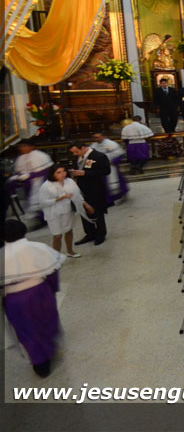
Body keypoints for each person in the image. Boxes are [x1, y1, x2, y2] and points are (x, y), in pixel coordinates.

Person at [2, 219, 65, 377]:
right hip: (41, 291)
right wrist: (53, 289)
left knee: (26, 330)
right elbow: (52, 272)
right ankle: (50, 348)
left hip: (15, 298)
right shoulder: (39, 247)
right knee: (47, 321)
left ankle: (40, 364)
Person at [37, 165, 91, 258]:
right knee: (57, 236)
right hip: (53, 214)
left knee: (69, 231)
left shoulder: (69, 181)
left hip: (67, 211)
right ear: (52, 174)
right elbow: (42, 203)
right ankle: (56, 257)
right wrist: (60, 198)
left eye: (64, 171)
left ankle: (70, 251)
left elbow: (77, 194)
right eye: (58, 172)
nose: (62, 174)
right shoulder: (46, 186)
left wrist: (85, 204)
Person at [69, 141, 110, 246]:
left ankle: (100, 234)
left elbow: (106, 171)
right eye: (73, 152)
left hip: (95, 188)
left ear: (83, 147)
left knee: (97, 212)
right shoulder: (76, 157)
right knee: (83, 211)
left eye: (76, 151)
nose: (75, 154)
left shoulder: (99, 156)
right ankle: (89, 233)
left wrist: (85, 173)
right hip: (81, 188)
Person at [7, 140, 54, 217]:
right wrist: (18, 176)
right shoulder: (21, 158)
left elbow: (46, 170)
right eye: (20, 146)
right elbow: (19, 171)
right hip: (28, 183)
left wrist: (29, 175)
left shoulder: (41, 156)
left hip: (42, 181)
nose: (21, 148)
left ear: (31, 147)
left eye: (24, 146)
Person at [90, 132, 128, 204]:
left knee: (115, 182)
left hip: (111, 167)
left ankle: (120, 196)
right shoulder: (93, 146)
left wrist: (113, 161)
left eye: (98, 137)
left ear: (103, 136)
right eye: (94, 137)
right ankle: (107, 200)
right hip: (100, 169)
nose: (96, 139)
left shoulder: (111, 144)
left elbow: (120, 154)